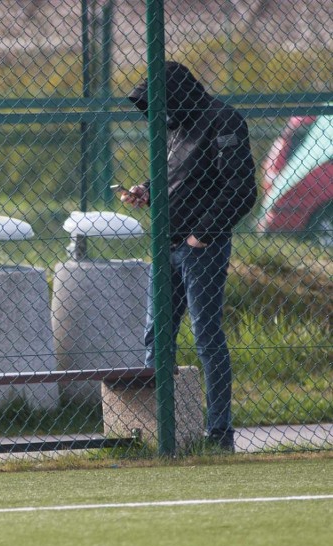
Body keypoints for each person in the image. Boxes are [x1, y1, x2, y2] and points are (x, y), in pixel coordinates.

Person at [119, 61, 257, 452]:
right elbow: (174, 175)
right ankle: (154, 431)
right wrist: (145, 190)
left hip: (202, 249)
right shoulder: (172, 126)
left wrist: (203, 234)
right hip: (166, 246)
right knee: (155, 334)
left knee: (205, 336)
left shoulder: (224, 120)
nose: (158, 115)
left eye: (160, 104)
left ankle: (218, 433)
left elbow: (242, 189)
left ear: (177, 94)